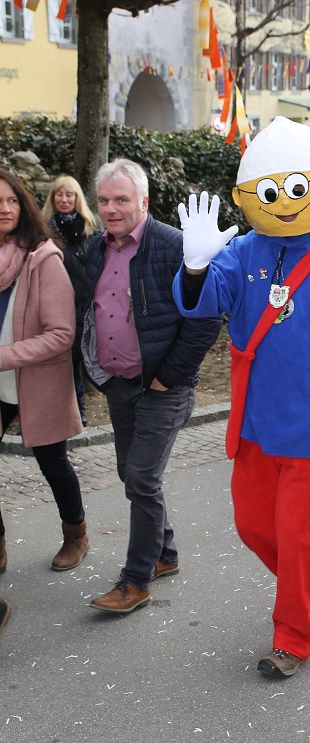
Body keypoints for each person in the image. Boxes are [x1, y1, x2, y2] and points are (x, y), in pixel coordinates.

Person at [174, 118, 310, 679]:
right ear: (251, 197)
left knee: (297, 536)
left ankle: (295, 635)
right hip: (255, 422)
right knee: (254, 527)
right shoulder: (245, 249)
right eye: (272, 193)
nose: (285, 203)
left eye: (298, 188)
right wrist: (195, 265)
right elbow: (202, 303)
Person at [81, 158, 222, 614]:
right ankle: (165, 554)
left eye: (121, 199)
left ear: (144, 201)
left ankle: (136, 580)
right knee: (131, 474)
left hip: (164, 387)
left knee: (141, 477)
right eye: (104, 200)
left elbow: (203, 322)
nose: (111, 208)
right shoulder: (94, 250)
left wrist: (168, 376)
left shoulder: (173, 245)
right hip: (119, 383)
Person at [0, 169, 89, 574]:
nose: (4, 209)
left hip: (36, 379)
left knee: (53, 463)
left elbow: (62, 334)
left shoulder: (43, 257)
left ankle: (76, 534)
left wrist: (3, 355)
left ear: (24, 205)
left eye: (12, 200)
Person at [41, 174, 99, 426]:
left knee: (89, 357)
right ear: (52, 198)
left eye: (70, 194)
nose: (64, 199)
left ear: (78, 198)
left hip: (89, 305)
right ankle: (76, 412)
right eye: (59, 194)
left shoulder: (92, 228)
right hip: (59, 306)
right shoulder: (43, 231)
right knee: (66, 362)